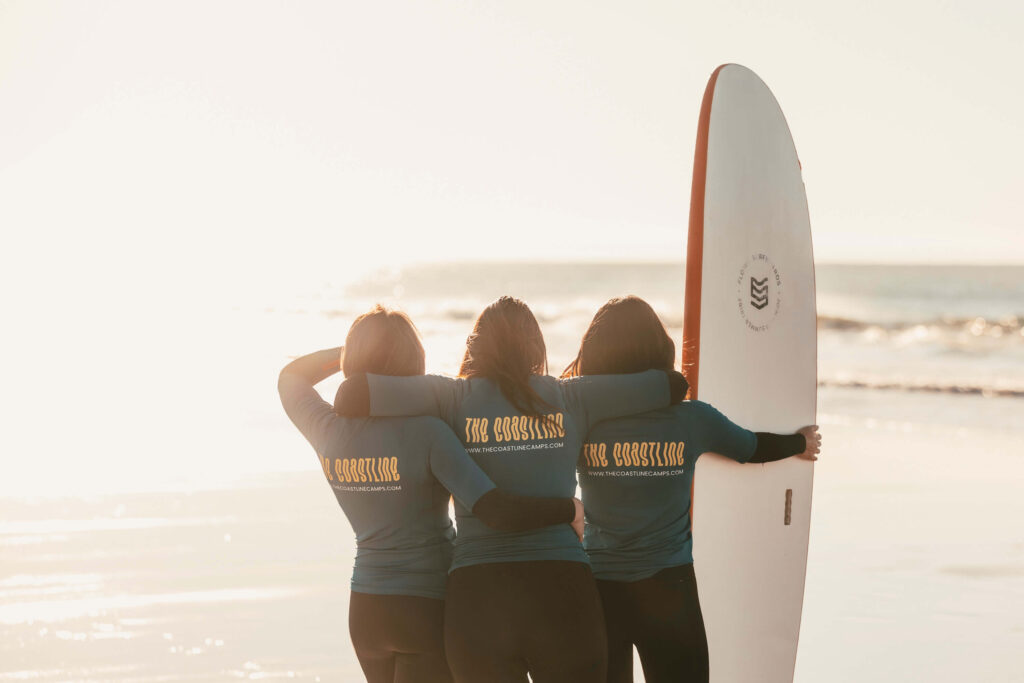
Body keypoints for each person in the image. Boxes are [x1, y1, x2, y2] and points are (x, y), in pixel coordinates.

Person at [334, 296, 688, 683]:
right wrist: (598, 379)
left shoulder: (451, 397)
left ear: (475, 347)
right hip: (561, 591)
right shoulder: (572, 395)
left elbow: (351, 395)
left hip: (477, 600)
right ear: (536, 346)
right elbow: (673, 385)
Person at [279, 305, 585, 683]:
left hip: (366, 610)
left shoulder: (326, 430)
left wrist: (347, 353)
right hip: (427, 605)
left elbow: (291, 376)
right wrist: (568, 508)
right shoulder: (430, 432)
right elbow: (492, 508)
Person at [562, 295, 822, 683]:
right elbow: (750, 447)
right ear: (660, 349)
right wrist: (800, 444)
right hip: (670, 589)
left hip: (602, 588)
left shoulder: (580, 421)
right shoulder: (692, 419)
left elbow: (545, 478)